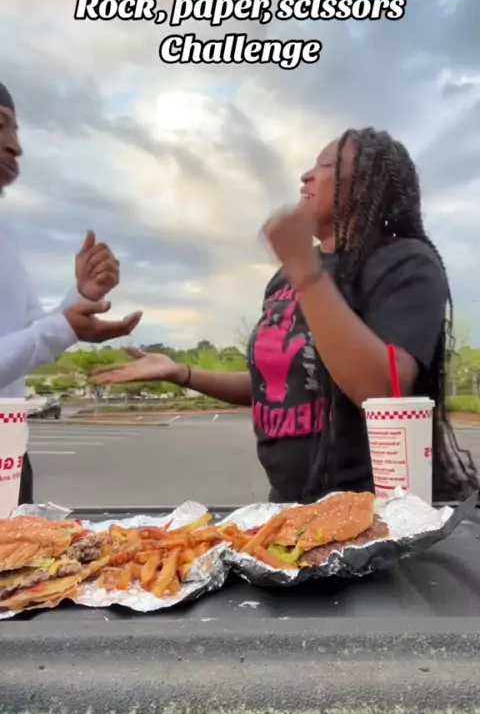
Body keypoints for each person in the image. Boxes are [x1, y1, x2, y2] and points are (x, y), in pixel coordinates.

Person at [93, 127, 478, 504]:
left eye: (324, 165)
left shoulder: (404, 263)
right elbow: (280, 383)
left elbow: (384, 390)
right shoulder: (285, 277)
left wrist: (303, 268)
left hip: (376, 509)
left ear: (363, 184)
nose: (305, 175)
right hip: (290, 507)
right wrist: (182, 373)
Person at [0, 82, 142, 504]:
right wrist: (64, 326)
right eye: (0, 126)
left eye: (15, 130)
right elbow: (43, 335)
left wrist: (79, 298)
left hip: (9, 452)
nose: (16, 146)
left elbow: (28, 335)